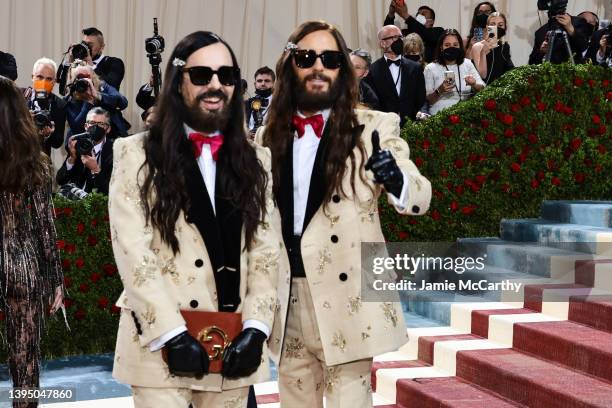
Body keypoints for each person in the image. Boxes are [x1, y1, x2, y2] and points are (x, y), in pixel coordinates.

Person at [257, 20, 431, 408]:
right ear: (290, 65)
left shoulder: (374, 126)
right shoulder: (268, 135)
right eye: (306, 57)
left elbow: (420, 194)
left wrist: (397, 179)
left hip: (347, 293)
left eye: (331, 58)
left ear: (343, 69)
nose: (318, 66)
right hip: (288, 301)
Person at [109, 31, 283, 408]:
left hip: (235, 347)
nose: (216, 85)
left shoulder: (257, 160)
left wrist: (257, 327)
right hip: (159, 352)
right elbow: (132, 252)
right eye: (202, 75)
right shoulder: (134, 155)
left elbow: (268, 252)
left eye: (227, 75)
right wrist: (170, 333)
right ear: (178, 82)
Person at [0, 76, 64, 408]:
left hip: (16, 258)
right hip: (21, 261)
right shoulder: (32, 159)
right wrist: (55, 279)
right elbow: (45, 226)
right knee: (25, 359)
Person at [364, 25, 426, 124]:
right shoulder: (372, 71)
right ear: (382, 43)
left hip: (410, 125)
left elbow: (420, 98)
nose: (399, 41)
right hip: (383, 126)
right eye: (394, 38)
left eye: (400, 37)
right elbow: (371, 102)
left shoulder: (415, 68)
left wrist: (409, 116)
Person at [425, 29, 485, 116]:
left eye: (455, 45)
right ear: (441, 48)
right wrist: (440, 90)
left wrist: (474, 84)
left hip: (464, 115)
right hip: (438, 116)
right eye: (447, 45)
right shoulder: (430, 68)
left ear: (460, 46)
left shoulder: (467, 64)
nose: (451, 48)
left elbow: (483, 88)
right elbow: (427, 101)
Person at [56, 107, 114, 195]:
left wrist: (95, 169)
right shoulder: (79, 145)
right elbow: (60, 180)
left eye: (101, 124)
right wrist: (72, 158)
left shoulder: (115, 151)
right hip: (75, 201)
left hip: (100, 204)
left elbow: (111, 191)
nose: (96, 127)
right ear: (86, 126)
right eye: (92, 123)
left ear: (108, 129)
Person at [64, 64, 129, 138]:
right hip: (86, 141)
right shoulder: (69, 100)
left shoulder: (103, 86)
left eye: (87, 77)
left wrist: (98, 95)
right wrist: (88, 101)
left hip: (113, 136)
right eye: (79, 77)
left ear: (93, 77)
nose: (83, 81)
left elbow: (123, 103)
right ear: (72, 81)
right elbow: (76, 128)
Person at [23, 58, 68, 156]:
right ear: (32, 77)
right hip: (15, 157)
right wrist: (24, 119)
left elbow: (57, 143)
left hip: (41, 160)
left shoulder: (60, 104)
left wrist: (48, 134)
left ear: (54, 81)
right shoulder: (18, 96)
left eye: (48, 79)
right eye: (39, 77)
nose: (43, 82)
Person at [471, 13, 515, 84]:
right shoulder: (477, 46)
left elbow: (510, 69)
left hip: (500, 90)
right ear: (487, 27)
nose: (496, 28)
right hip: (482, 91)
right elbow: (482, 75)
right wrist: (483, 52)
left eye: (500, 25)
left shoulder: (505, 46)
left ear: (505, 28)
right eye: (492, 24)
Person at [245, 66, 275, 137]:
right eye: (259, 81)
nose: (263, 84)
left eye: (267, 81)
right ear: (255, 84)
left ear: (274, 84)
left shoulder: (280, 104)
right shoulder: (246, 104)